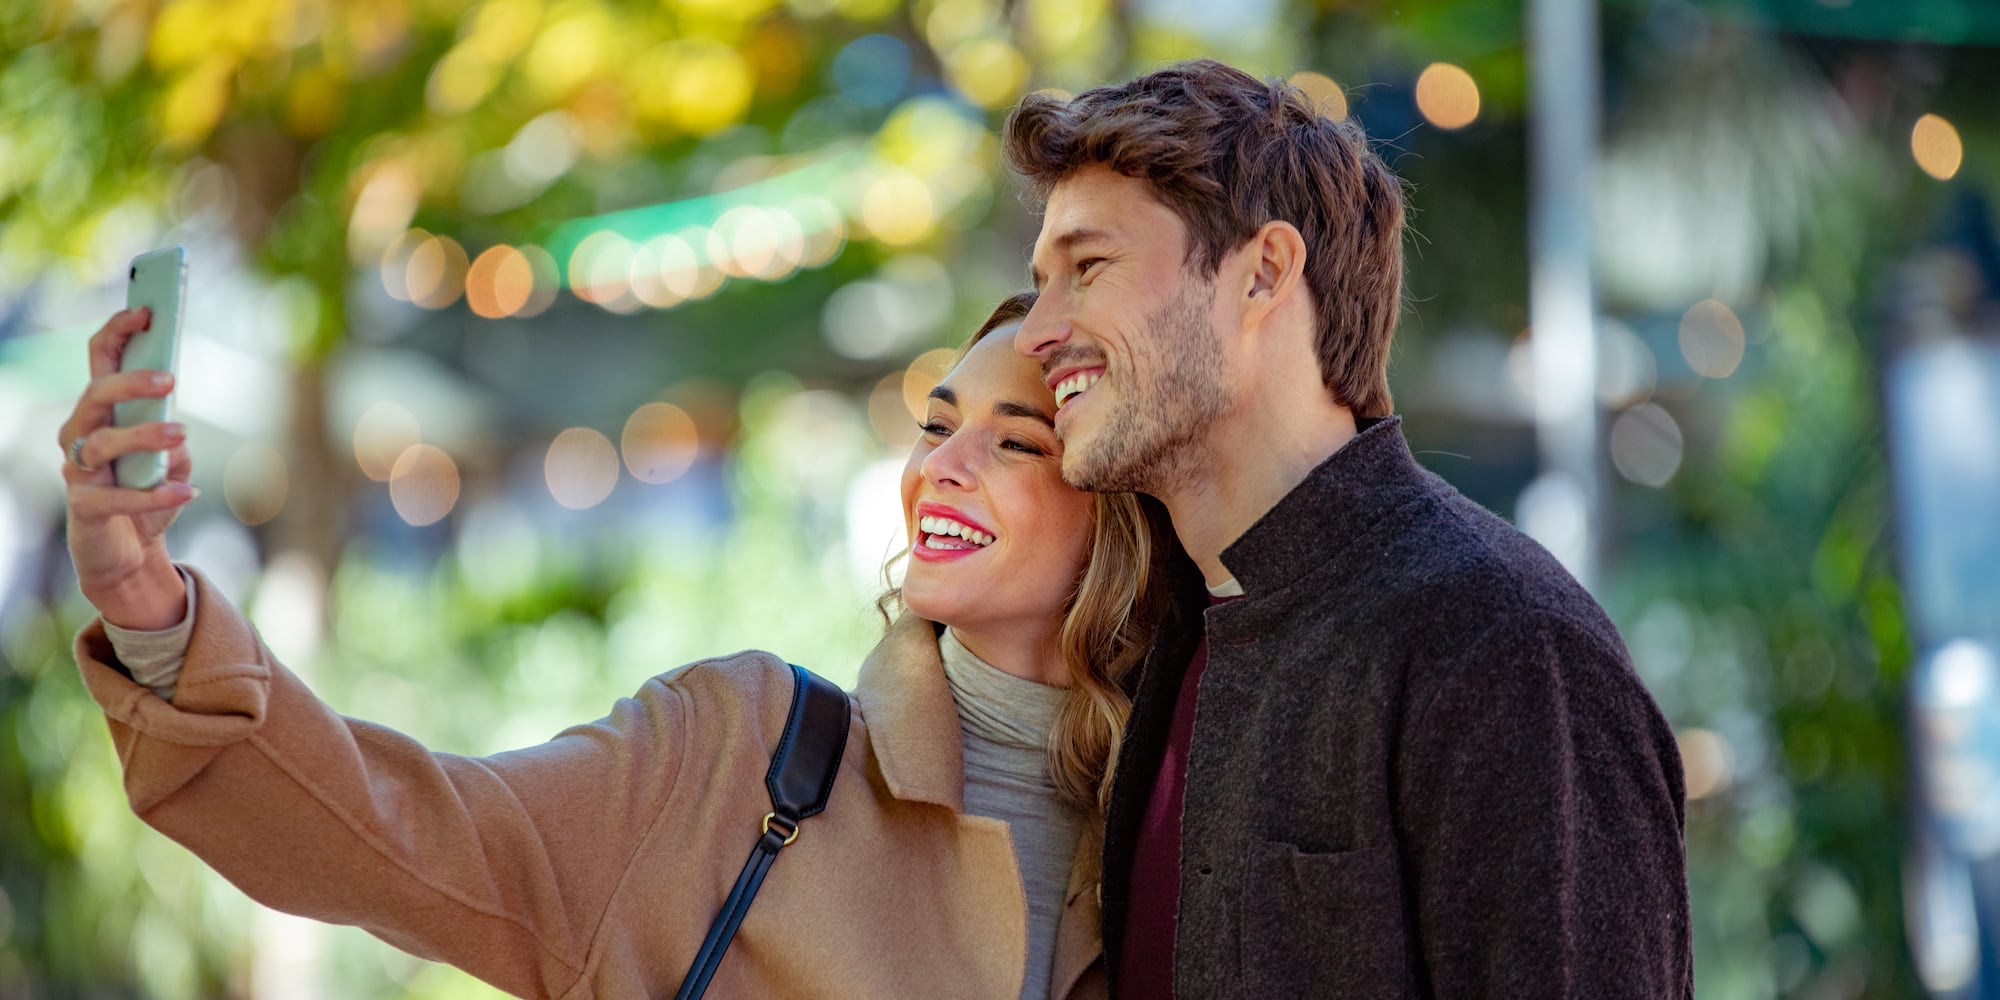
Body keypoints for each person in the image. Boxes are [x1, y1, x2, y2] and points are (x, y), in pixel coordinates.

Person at [59, 292, 1169, 999]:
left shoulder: (1182, 826)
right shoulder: (740, 749)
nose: (941, 465)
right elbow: (404, 834)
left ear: (1121, 506)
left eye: (1015, 440)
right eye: (934, 424)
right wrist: (156, 614)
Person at [1003, 60, 1692, 997]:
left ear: (1264, 275)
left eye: (1087, 268)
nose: (1036, 333)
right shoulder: (1161, 641)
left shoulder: (1504, 646)